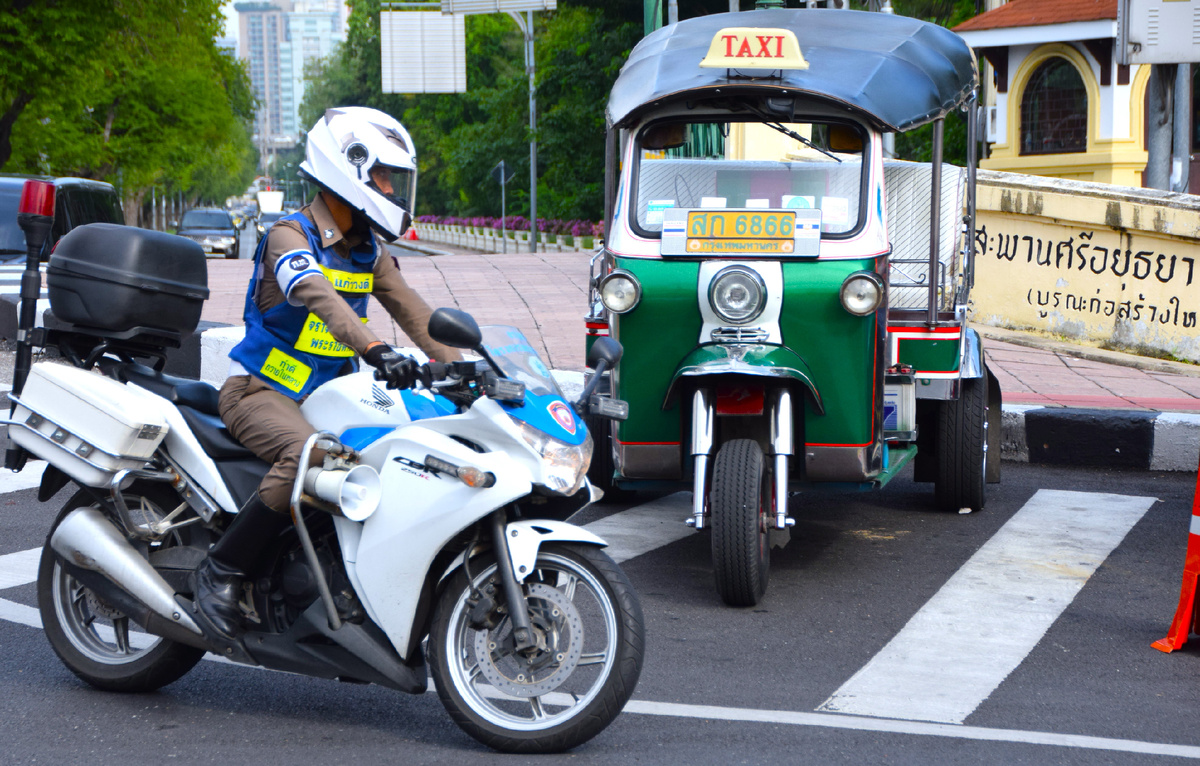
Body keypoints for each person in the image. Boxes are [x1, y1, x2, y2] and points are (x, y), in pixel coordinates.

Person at [191, 107, 462, 642]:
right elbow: (319, 298)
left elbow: (417, 314)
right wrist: (376, 348)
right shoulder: (290, 237)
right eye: (383, 176)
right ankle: (219, 573)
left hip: (330, 396)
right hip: (261, 391)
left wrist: (471, 369)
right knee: (311, 456)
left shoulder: (368, 251)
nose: (391, 188)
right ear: (348, 170)